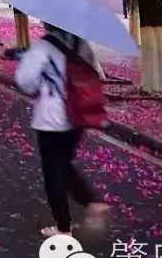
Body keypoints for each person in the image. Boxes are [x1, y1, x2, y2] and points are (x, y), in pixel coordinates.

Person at [14, 25, 110, 238]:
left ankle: (63, 227)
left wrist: (41, 82)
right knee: (64, 163)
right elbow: (95, 72)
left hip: (51, 118)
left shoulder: (43, 47)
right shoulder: (81, 44)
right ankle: (91, 201)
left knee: (53, 172)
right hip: (78, 115)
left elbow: (25, 81)